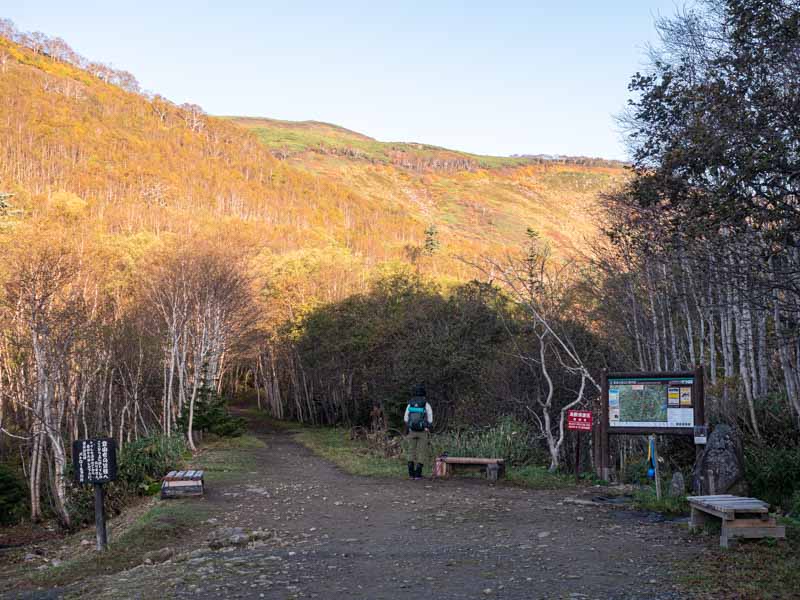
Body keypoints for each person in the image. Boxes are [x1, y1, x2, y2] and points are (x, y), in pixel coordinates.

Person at [404, 384, 433, 480]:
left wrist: (411, 426)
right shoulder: (426, 404)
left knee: (411, 451)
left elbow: (405, 418)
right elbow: (430, 420)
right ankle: (418, 474)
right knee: (422, 452)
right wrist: (426, 426)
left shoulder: (410, 404)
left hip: (412, 431)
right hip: (423, 432)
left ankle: (411, 474)